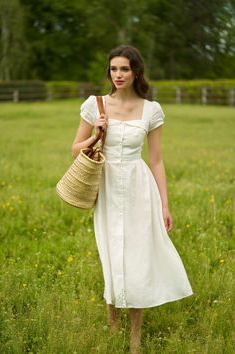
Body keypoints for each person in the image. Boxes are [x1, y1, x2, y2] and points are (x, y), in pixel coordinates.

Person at [71, 45, 193, 354]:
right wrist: (94, 133)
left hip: (139, 186)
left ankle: (135, 335)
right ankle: (113, 322)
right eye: (113, 69)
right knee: (111, 251)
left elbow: (157, 161)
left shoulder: (151, 109)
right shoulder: (94, 105)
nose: (118, 74)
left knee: (137, 256)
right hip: (107, 185)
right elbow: (75, 149)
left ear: (136, 71)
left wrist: (165, 204)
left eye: (124, 69)